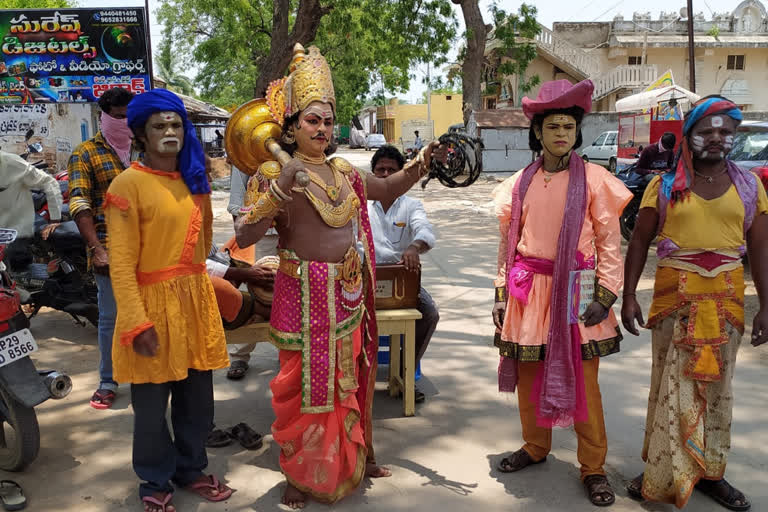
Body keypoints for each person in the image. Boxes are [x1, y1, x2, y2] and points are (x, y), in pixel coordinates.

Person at [234, 44, 443, 509]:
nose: (323, 129)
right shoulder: (273, 172)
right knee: (301, 387)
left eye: (328, 121)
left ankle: (354, 458)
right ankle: (300, 475)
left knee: (349, 380)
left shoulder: (343, 171)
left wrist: (423, 161)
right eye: (312, 120)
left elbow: (388, 187)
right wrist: (282, 185)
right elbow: (246, 229)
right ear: (291, 126)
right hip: (299, 293)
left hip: (346, 293)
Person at [622, 96, 768, 510]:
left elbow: (760, 250)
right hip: (674, 301)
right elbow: (638, 242)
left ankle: (712, 473)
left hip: (726, 305)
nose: (717, 138)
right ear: (689, 136)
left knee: (718, 389)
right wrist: (629, 295)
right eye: (707, 131)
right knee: (667, 386)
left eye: (725, 131)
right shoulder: (664, 186)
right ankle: (661, 470)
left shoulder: (749, 186)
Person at [491, 79, 632, 507]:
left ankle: (593, 467)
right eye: (552, 127)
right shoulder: (519, 183)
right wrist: (500, 292)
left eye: (568, 128)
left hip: (576, 292)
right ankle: (535, 447)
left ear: (576, 132)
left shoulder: (594, 179)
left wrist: (605, 294)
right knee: (529, 379)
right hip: (528, 291)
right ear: (538, 132)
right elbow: (506, 245)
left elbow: (610, 243)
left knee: (585, 384)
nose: (560, 135)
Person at [104, 88, 233, 512]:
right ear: (140, 133)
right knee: (151, 407)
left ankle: (191, 469)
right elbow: (121, 265)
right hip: (149, 306)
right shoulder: (128, 185)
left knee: (198, 400)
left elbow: (206, 243)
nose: (169, 131)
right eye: (159, 125)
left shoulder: (195, 179)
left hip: (194, 301)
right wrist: (136, 322)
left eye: (176, 123)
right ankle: (155, 479)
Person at [68, 87, 135, 410]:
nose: (124, 123)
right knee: (110, 316)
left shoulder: (143, 148)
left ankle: (148, 373)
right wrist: (96, 248)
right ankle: (108, 380)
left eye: (129, 117)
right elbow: (79, 200)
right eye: (118, 117)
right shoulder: (86, 153)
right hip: (109, 245)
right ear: (104, 116)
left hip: (151, 247)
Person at [366, 145, 439, 404]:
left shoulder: (411, 204)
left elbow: (426, 232)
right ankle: (356, 377)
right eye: (380, 170)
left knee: (429, 313)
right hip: (363, 282)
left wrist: (414, 247)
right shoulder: (359, 204)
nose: (386, 174)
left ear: (402, 174)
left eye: (392, 170)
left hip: (402, 283)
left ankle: (405, 370)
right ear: (372, 173)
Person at [0, 150, 62, 269]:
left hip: (15, 230)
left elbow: (49, 183)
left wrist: (55, 220)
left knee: (16, 265)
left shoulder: (13, 163)